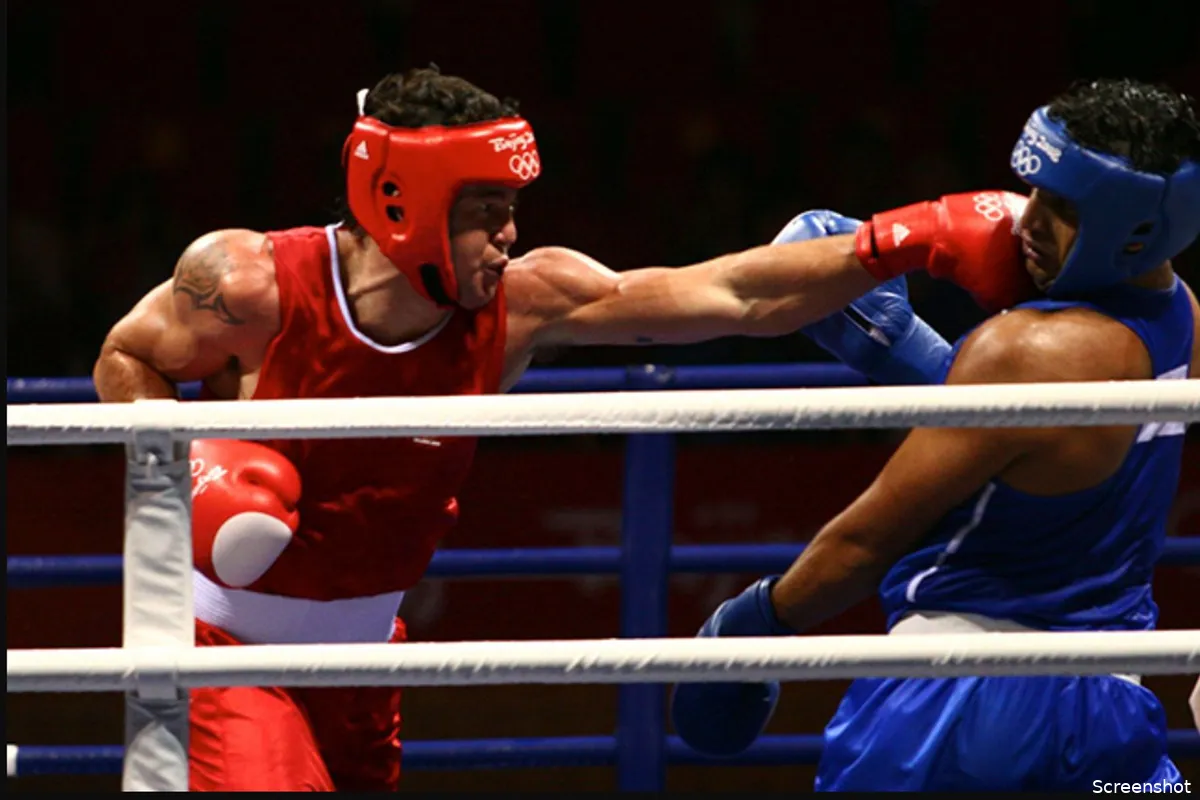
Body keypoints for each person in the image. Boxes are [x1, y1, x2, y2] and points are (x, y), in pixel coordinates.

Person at [93, 64, 1032, 791]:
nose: (509, 235)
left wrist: (899, 239)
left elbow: (732, 295)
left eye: (513, 211)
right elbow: (126, 358)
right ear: (403, 202)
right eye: (487, 212)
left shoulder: (524, 303)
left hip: (363, 660)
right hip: (221, 653)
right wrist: (188, 467)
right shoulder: (253, 284)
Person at [670, 77, 1200, 791]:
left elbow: (864, 543)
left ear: (1137, 227)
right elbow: (1041, 442)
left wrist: (755, 621)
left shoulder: (1020, 349)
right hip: (1112, 706)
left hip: (955, 709)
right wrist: (914, 355)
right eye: (1035, 191)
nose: (1028, 220)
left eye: (1064, 207)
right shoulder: (1185, 322)